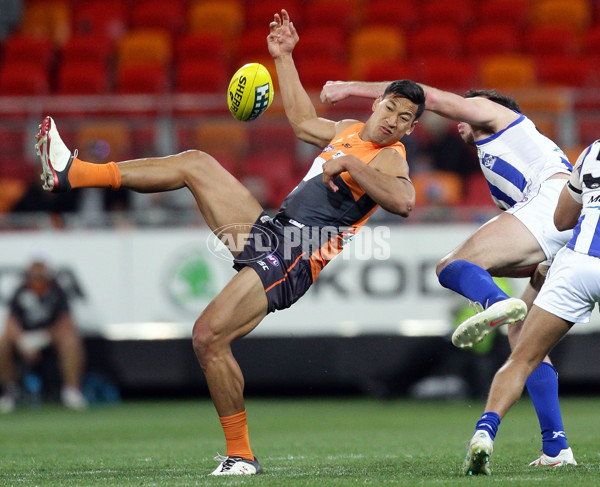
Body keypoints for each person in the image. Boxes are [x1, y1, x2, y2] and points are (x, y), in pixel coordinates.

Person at [33, 10, 425, 475]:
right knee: (196, 163)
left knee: (208, 337)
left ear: (410, 130)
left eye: (404, 119)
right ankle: (71, 173)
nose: (393, 122)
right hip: (272, 231)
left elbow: (403, 201)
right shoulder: (347, 132)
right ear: (376, 103)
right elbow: (301, 122)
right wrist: (283, 56)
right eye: (390, 109)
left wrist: (353, 169)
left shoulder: (390, 157)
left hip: (295, 254)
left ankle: (241, 456)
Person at [321, 81, 576, 466]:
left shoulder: (499, 115)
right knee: (525, 339)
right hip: (567, 230)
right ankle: (556, 448)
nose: (462, 112)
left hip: (552, 204)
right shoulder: (503, 163)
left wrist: (350, 87)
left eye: (469, 103)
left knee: (450, 265)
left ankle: (496, 301)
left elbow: (428, 97)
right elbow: (523, 256)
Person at [462, 140, 600, 474]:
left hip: (579, 264)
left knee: (522, 357)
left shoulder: (592, 151)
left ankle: (486, 432)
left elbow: (562, 218)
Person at [0, 259, 88, 412]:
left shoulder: (56, 291)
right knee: (2, 343)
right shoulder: (21, 292)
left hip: (49, 336)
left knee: (71, 340)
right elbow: (11, 323)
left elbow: (66, 322)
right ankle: (10, 390)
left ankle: (71, 391)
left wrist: (43, 338)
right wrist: (22, 341)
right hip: (25, 337)